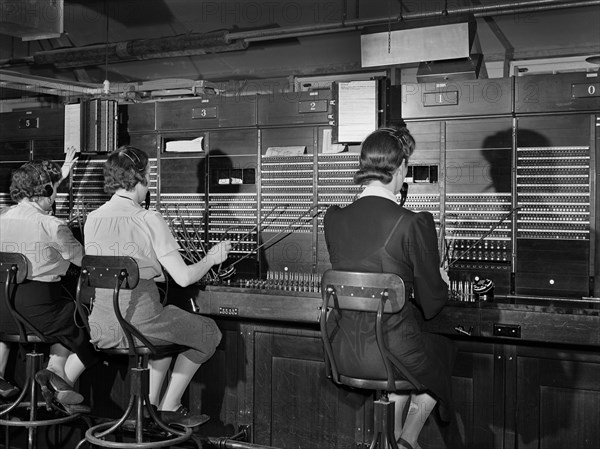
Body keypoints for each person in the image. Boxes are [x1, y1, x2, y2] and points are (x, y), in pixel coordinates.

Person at [323, 126, 456, 449]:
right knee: (441, 347)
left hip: (343, 351)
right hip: (395, 354)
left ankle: (390, 442)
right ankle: (407, 439)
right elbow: (432, 303)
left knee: (403, 351)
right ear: (398, 170)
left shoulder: (333, 218)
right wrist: (442, 281)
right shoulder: (414, 223)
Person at [84, 145, 231, 428]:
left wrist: (152, 270)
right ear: (141, 176)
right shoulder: (148, 218)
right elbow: (185, 278)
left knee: (169, 326)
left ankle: (149, 407)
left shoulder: (93, 218)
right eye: (149, 171)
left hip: (101, 326)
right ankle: (170, 405)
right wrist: (211, 258)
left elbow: (117, 267)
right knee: (208, 332)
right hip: (140, 325)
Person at [0, 148, 99, 414]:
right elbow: (85, 262)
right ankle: (58, 374)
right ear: (43, 191)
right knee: (84, 318)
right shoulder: (51, 225)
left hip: (3, 312)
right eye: (53, 191)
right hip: (39, 313)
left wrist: (59, 178)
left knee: (60, 311)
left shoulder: (1, 219)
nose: (55, 197)